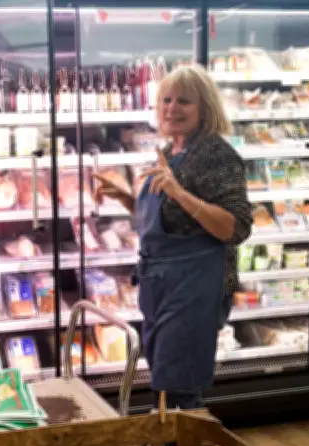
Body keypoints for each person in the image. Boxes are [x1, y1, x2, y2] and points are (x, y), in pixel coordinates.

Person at [92, 64, 252, 410]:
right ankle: (169, 444)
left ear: (205, 108)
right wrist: (124, 198)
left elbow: (236, 227)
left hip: (194, 287)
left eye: (184, 101)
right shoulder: (173, 152)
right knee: (165, 376)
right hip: (163, 283)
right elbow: (169, 221)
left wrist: (181, 194)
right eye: (166, 99)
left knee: (180, 384)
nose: (171, 108)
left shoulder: (215, 155)